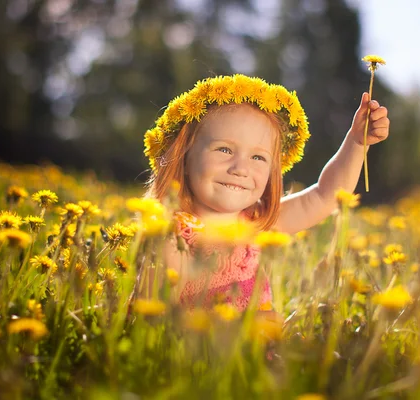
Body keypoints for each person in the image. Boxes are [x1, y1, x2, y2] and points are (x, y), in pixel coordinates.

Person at [143, 74, 389, 312]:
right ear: (184, 157)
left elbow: (325, 196)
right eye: (225, 150)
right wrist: (236, 332)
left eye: (258, 157)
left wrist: (357, 143)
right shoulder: (170, 240)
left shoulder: (260, 225)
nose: (240, 169)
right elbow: (155, 327)